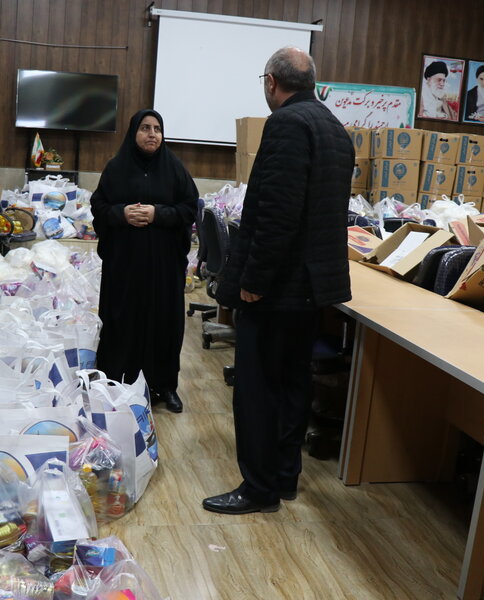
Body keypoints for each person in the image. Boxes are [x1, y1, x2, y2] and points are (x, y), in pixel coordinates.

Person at [201, 47, 353, 515]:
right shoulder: (335, 130)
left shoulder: (287, 124)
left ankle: (259, 488)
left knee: (258, 388)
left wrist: (255, 280)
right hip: (311, 288)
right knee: (292, 384)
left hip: (278, 285)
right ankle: (285, 477)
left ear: (271, 83)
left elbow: (277, 213)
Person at [90, 109, 198, 413]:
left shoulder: (175, 169)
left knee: (164, 323)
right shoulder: (116, 168)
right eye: (145, 128)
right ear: (133, 133)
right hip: (125, 266)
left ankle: (164, 386)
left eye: (157, 129)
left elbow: (189, 207)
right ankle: (117, 381)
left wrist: (157, 214)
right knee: (123, 320)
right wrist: (121, 213)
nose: (152, 134)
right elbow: (99, 205)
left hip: (163, 267)